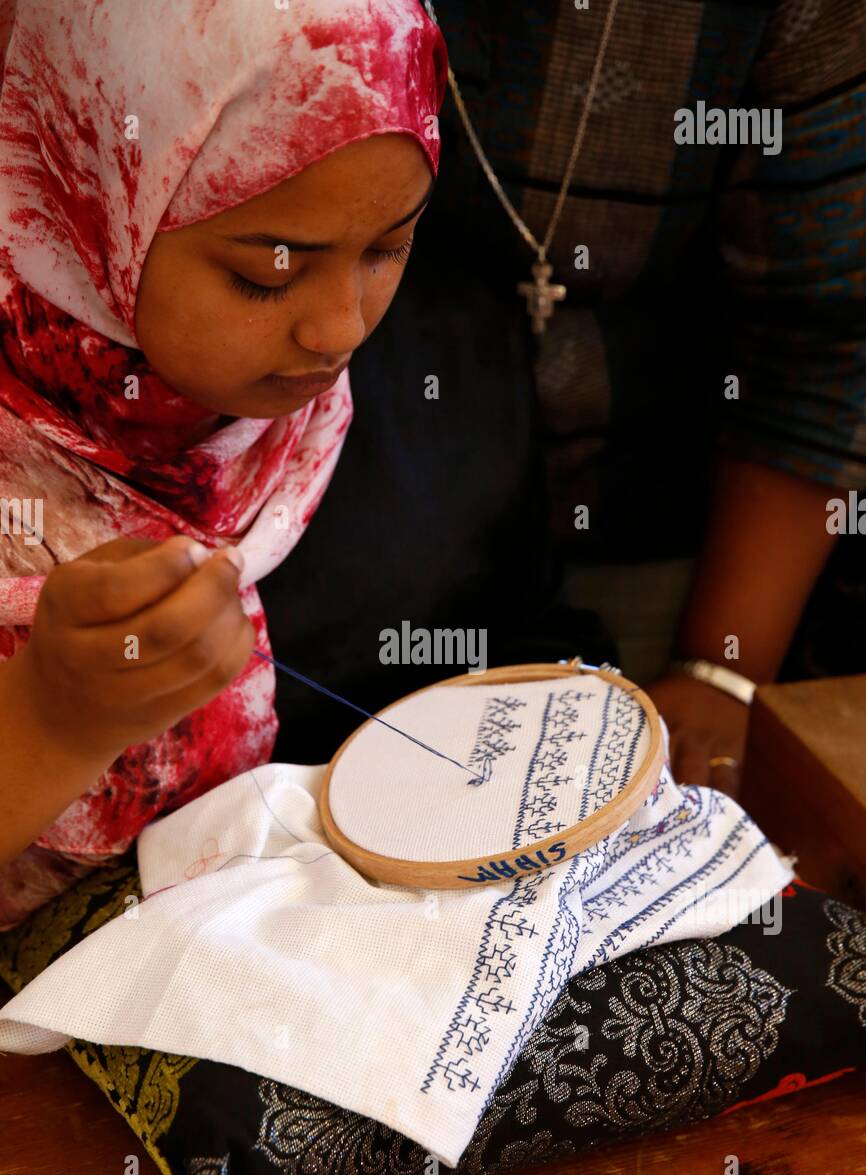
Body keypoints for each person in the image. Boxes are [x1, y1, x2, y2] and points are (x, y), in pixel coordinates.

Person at [259, 0, 866, 790]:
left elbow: (825, 331)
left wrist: (720, 670)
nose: (335, 326)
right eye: (265, 273)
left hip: (662, 540)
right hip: (323, 566)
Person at [0, 0, 446, 925]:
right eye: (268, 274)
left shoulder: (353, 424)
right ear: (95, 196)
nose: (340, 330)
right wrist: (48, 723)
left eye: (391, 247)